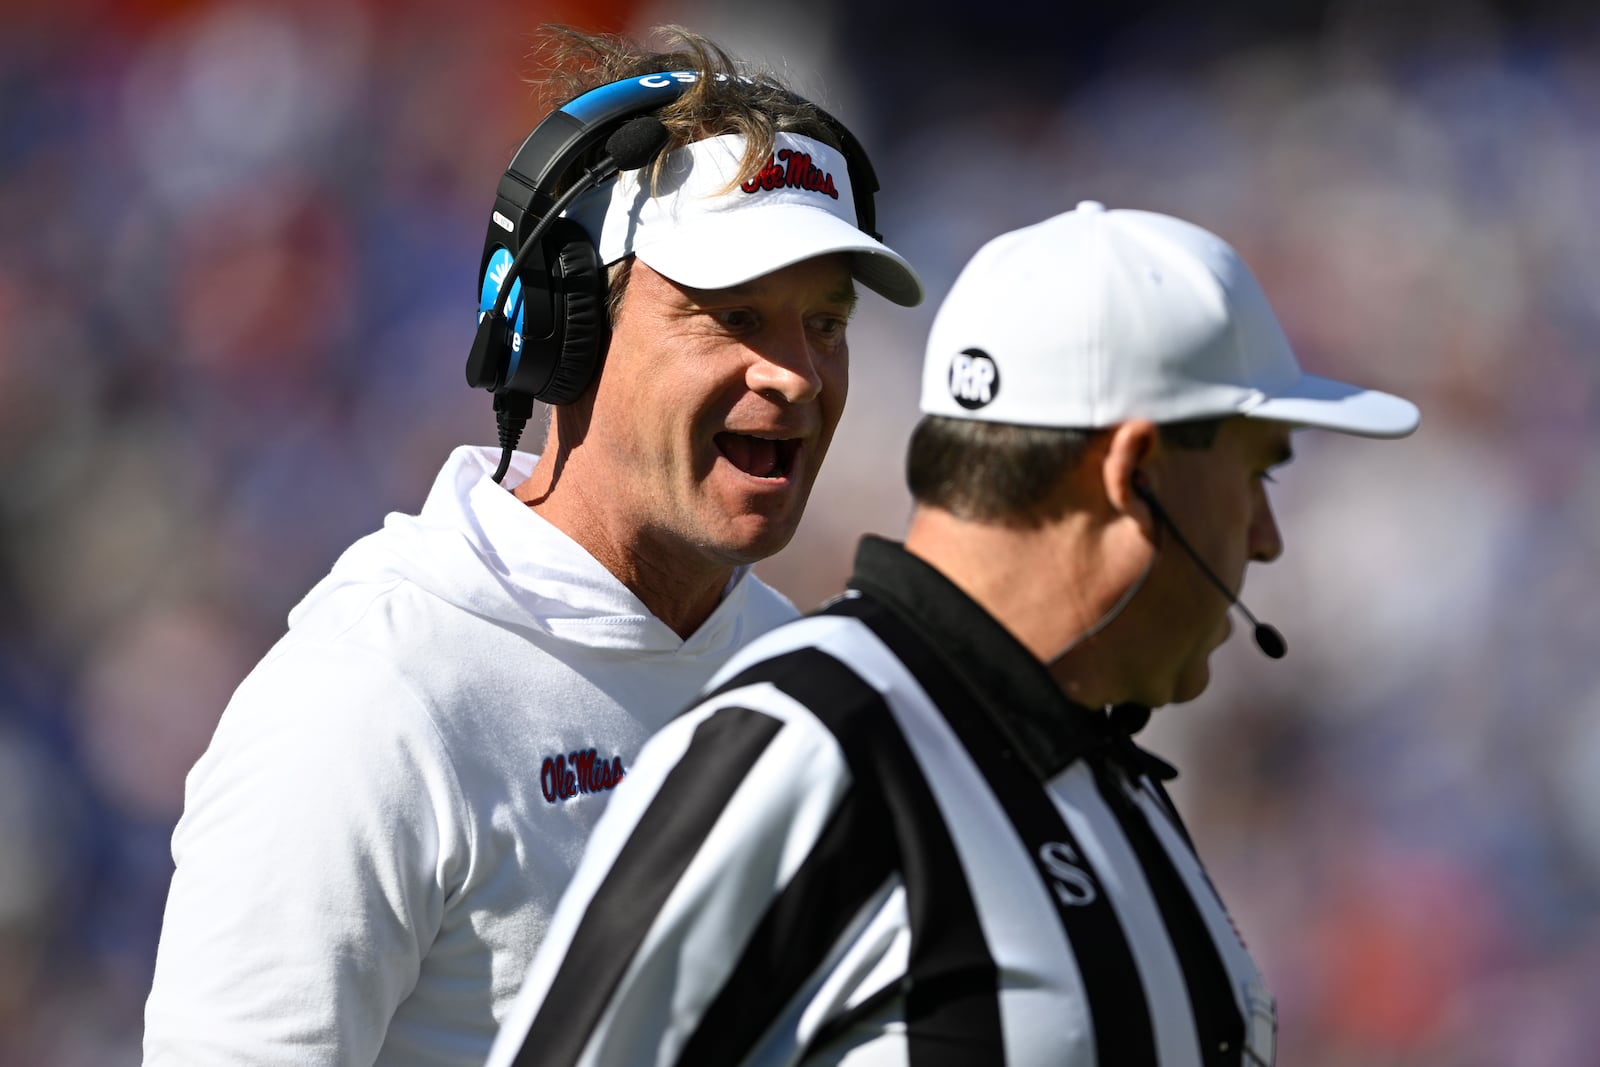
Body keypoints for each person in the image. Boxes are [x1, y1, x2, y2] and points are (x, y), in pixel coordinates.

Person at [142, 26, 922, 1067]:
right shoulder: (376, 696)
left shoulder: (808, 680)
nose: (795, 375)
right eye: (731, 315)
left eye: (824, 323)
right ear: (564, 330)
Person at [483, 200, 1420, 1066]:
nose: (1267, 535)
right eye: (1258, 473)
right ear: (1135, 473)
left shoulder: (1105, 775)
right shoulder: (812, 744)